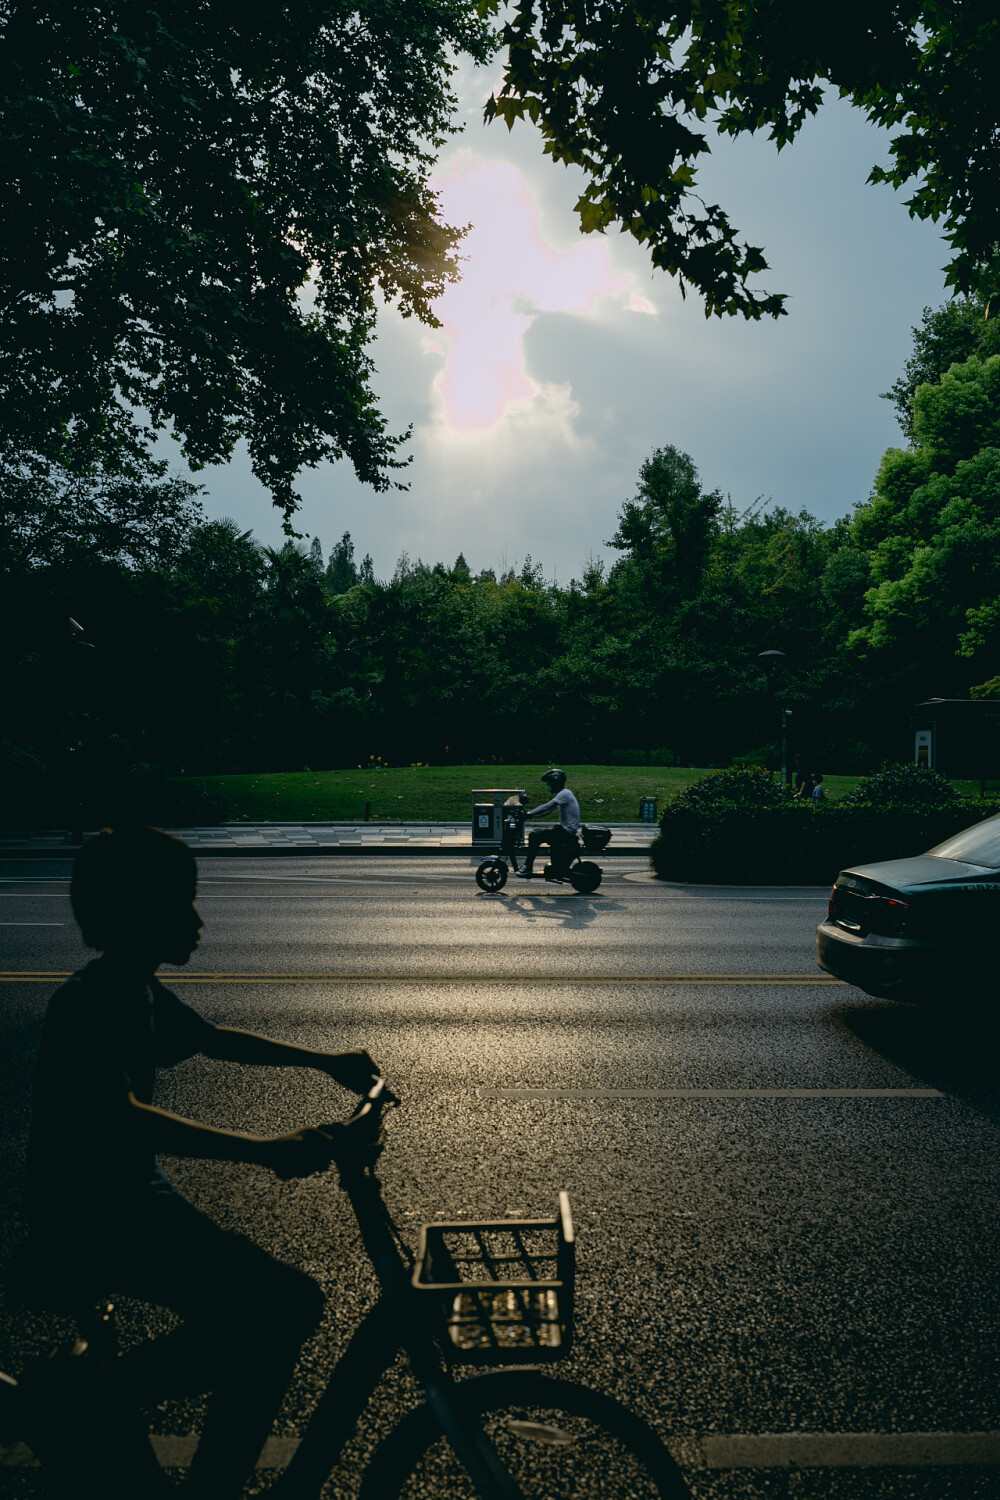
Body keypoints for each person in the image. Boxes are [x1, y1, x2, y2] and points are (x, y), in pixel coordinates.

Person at [22, 824, 383, 1499]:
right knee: (282, 1305)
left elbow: (214, 1042)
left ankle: (186, 1463)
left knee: (279, 1307)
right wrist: (260, 1150)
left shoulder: (135, 987)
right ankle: (98, 1400)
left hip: (131, 1206)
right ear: (138, 909)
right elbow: (119, 1115)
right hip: (93, 1221)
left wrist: (321, 1061)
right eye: (181, 903)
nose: (197, 920)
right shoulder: (88, 1002)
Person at [516, 768, 581, 877]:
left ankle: (528, 866)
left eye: (549, 783)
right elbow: (548, 812)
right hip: (564, 830)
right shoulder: (564, 794)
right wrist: (531, 817)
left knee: (534, 836)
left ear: (556, 782)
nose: (549, 786)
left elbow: (547, 806)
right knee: (538, 834)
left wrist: (529, 814)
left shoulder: (564, 794)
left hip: (565, 831)